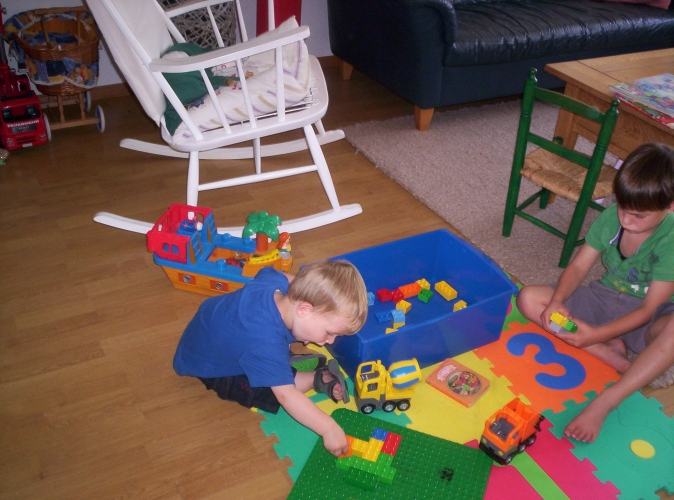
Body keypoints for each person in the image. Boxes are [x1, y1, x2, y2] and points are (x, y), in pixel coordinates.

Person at [516, 143, 674, 443]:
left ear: (671, 206)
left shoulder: (672, 238)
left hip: (648, 318)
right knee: (528, 298)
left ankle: (607, 400)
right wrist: (558, 302)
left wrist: (594, 334)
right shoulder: (614, 216)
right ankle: (612, 356)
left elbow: (648, 310)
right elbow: (578, 267)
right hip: (603, 298)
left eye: (638, 216)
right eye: (623, 208)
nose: (626, 221)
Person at [173, 259, 369, 456]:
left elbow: (283, 276)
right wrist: (328, 428)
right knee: (264, 389)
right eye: (329, 332)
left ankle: (282, 365)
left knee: (271, 354)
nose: (330, 340)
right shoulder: (264, 341)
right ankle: (313, 378)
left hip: (211, 330)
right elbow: (286, 395)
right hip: (210, 366)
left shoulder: (275, 285)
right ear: (304, 309)